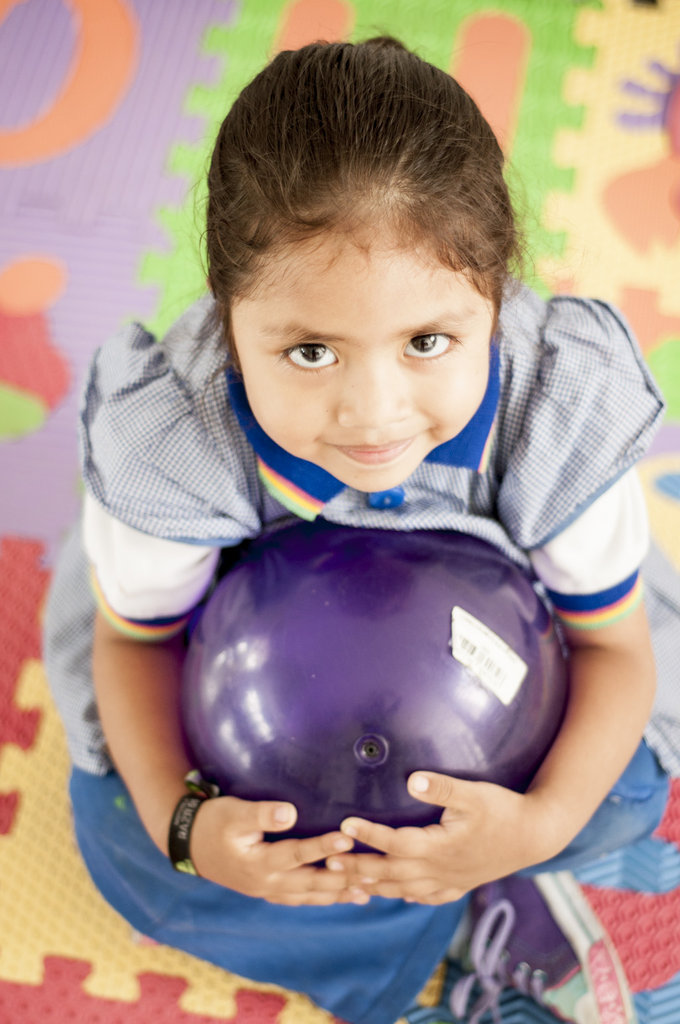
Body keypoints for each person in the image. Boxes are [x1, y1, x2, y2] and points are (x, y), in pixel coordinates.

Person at [44, 36, 680, 1024]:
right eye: (307, 350)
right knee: (130, 844)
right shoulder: (175, 441)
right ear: (229, 312)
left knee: (622, 788)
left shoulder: (551, 408)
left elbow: (610, 646)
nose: (373, 412)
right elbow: (133, 643)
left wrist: (536, 822)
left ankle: (499, 876)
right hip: (244, 723)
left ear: (491, 292)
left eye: (427, 341)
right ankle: (453, 915)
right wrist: (187, 823)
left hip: (519, 677)